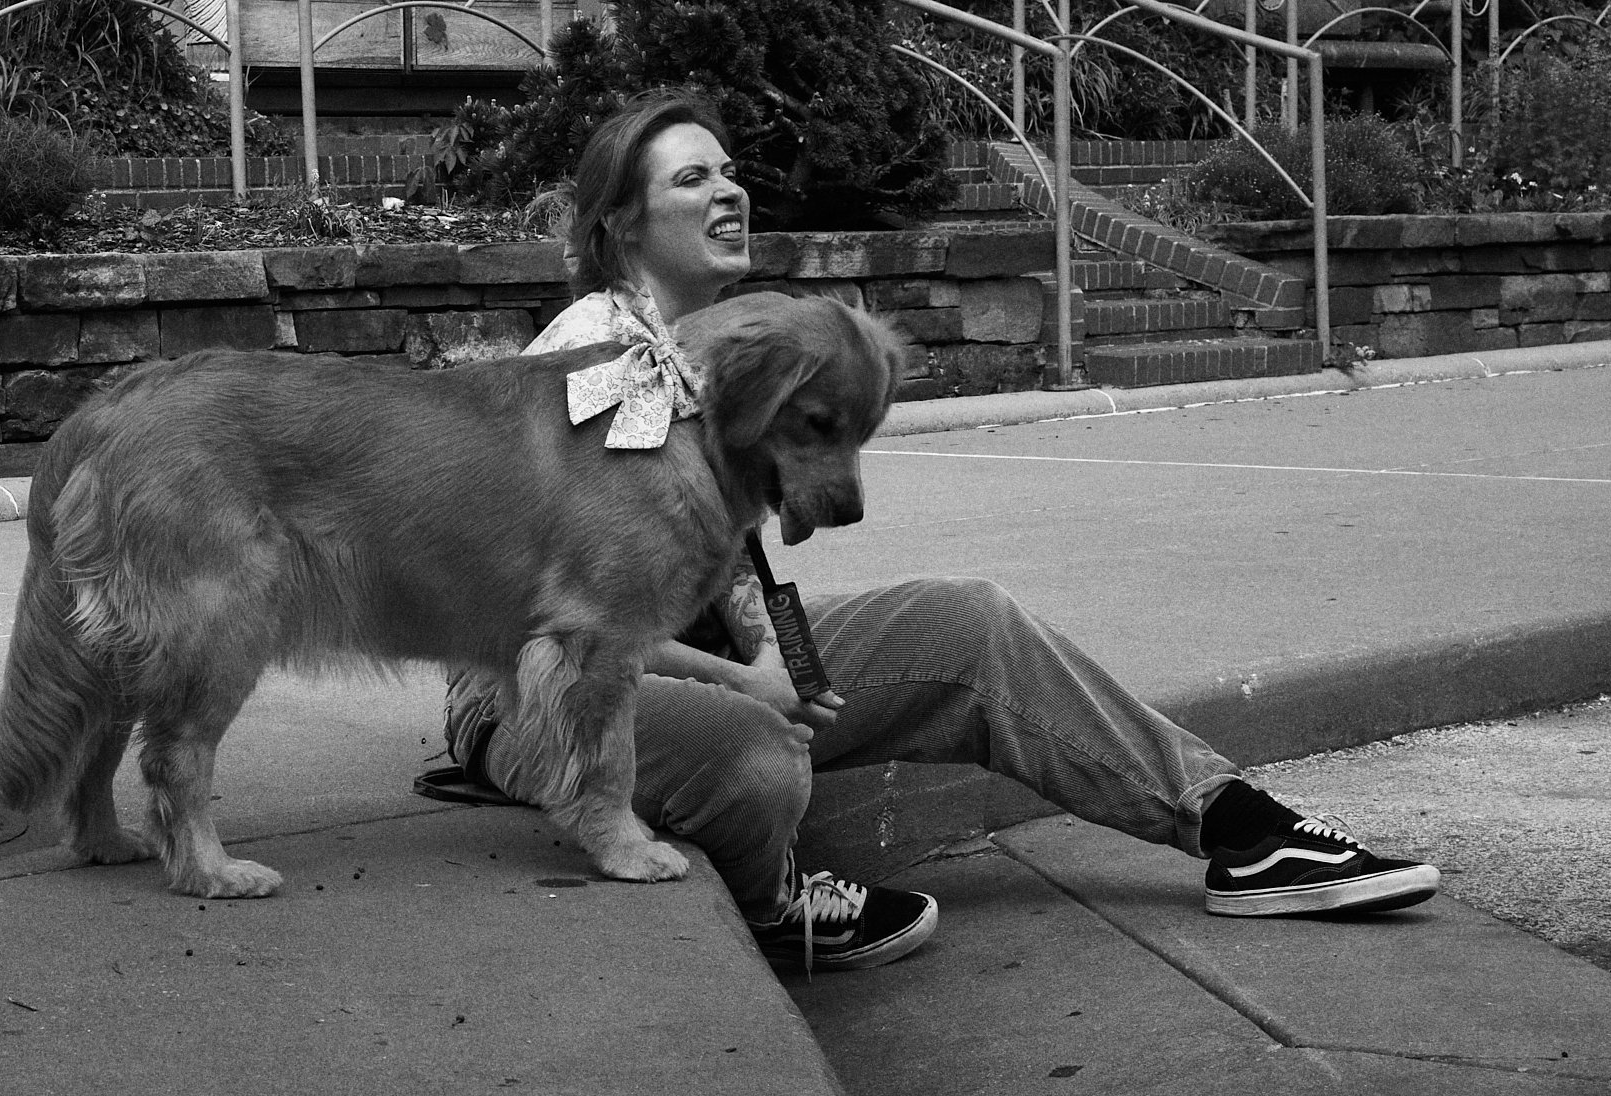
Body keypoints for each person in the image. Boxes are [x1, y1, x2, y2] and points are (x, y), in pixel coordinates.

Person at [444, 91, 1440, 972]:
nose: (728, 192)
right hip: (539, 695)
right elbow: (557, 621)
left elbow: (746, 584)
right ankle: (776, 903)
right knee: (753, 750)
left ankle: (1240, 829)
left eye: (731, 172)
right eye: (692, 178)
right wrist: (752, 688)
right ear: (621, 222)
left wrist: (794, 666)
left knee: (967, 623)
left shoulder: (716, 353)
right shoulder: (597, 362)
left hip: (683, 662)